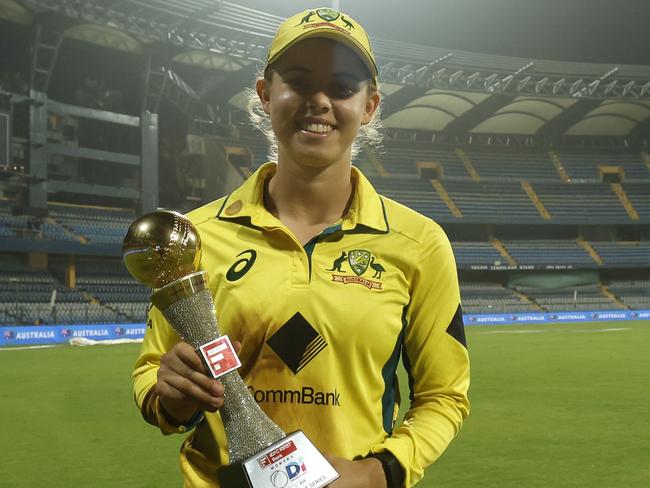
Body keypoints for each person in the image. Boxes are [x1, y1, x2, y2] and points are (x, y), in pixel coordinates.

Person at [133, 8, 469, 488]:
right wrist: (170, 394)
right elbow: (151, 371)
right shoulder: (197, 235)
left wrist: (379, 472)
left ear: (370, 106)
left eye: (342, 86)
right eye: (298, 80)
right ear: (266, 95)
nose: (319, 100)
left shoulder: (419, 244)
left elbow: (445, 396)